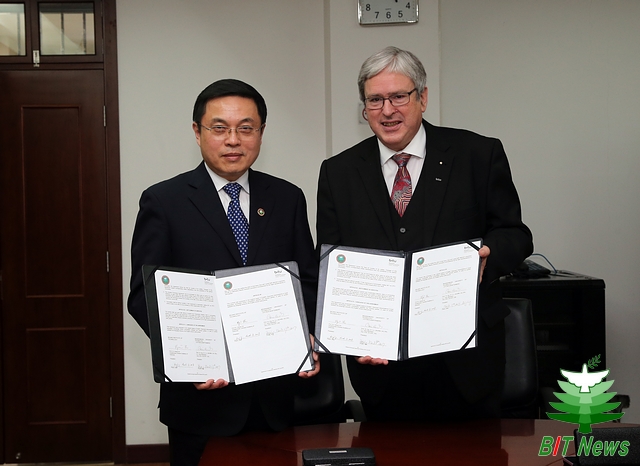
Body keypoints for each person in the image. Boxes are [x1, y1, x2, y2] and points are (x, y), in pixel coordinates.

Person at [316, 46, 533, 422]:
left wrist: (490, 254)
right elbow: (333, 264)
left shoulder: (477, 154)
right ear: (364, 108)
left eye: (399, 96)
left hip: (467, 365)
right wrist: (352, 333)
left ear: (423, 98)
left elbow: (515, 234)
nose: (387, 110)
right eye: (375, 100)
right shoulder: (339, 172)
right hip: (382, 369)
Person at [127, 79, 320, 466]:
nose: (233, 140)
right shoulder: (163, 201)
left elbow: (308, 282)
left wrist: (306, 335)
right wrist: (189, 357)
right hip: (200, 402)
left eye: (246, 128)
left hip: (273, 398)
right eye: (219, 128)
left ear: (261, 133)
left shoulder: (287, 197)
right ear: (197, 132)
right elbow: (143, 296)